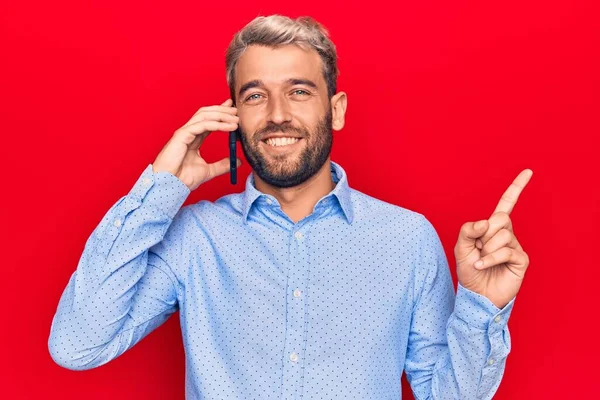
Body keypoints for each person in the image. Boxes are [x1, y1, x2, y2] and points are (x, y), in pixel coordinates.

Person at [48, 14, 532, 399]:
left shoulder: (407, 238)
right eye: (255, 95)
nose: (277, 114)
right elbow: (77, 346)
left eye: (299, 91)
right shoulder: (196, 237)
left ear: (335, 109)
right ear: (233, 116)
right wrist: (160, 187)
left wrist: (483, 307)